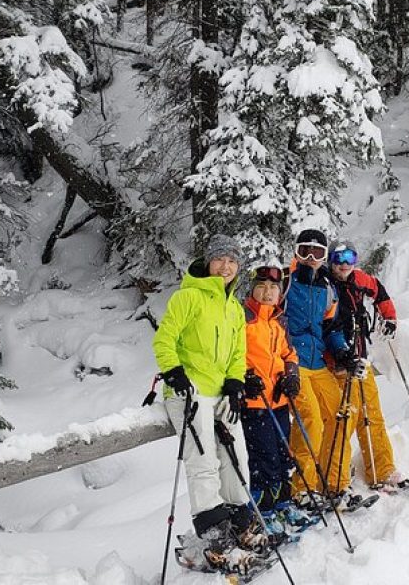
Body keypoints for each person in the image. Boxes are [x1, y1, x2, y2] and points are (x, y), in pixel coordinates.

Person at [152, 234, 265, 570]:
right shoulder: (188, 297)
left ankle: (240, 525)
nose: (225, 266)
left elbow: (238, 352)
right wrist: (174, 372)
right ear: (208, 262)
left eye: (232, 261)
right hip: (189, 393)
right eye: (220, 259)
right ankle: (215, 538)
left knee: (236, 458)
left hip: (219, 393)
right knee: (203, 463)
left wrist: (235, 382)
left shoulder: (233, 307)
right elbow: (164, 339)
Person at [282, 229, 365, 507]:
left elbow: (331, 327)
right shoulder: (285, 283)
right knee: (312, 420)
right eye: (305, 250)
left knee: (343, 414)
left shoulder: (326, 288)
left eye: (317, 252)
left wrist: (342, 351)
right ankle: (303, 486)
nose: (310, 258)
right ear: (296, 252)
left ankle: (336, 483)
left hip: (318, 364)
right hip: (293, 363)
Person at [328, 239, 409, 490]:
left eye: (350, 258)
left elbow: (380, 292)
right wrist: (340, 354)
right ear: (330, 260)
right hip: (338, 364)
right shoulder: (325, 286)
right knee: (345, 421)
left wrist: (390, 319)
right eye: (339, 259)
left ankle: (382, 470)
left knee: (372, 416)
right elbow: (325, 327)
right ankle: (337, 478)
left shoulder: (360, 280)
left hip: (360, 360)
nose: (344, 265)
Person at [240, 265, 311, 530]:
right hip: (254, 403)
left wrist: (291, 375)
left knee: (284, 454)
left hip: (279, 400)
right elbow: (230, 354)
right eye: (262, 287)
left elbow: (289, 354)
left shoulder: (278, 320)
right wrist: (244, 375)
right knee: (264, 456)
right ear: (252, 289)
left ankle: (283, 504)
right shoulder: (243, 318)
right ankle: (264, 510)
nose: (268, 292)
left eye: (273, 288)